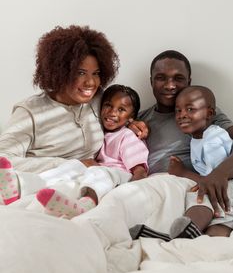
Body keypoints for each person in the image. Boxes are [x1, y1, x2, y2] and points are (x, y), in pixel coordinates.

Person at [0, 25, 120, 200]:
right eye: (80, 73)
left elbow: (119, 113)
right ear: (61, 72)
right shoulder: (30, 111)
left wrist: (133, 124)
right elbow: (4, 159)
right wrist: (70, 165)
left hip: (87, 183)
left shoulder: (98, 101)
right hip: (47, 183)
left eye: (96, 73)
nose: (90, 82)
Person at [129, 50, 233, 240]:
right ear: (151, 81)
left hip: (194, 184)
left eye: (178, 78)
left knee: (205, 201)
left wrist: (220, 173)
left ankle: (186, 237)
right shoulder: (141, 120)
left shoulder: (205, 113)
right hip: (157, 186)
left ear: (189, 81)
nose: (170, 85)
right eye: (161, 78)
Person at [0, 85, 149, 217]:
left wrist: (127, 193)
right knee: (72, 167)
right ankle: (21, 187)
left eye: (121, 110)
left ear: (131, 117)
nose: (112, 112)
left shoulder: (128, 136)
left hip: (117, 177)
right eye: (108, 106)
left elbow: (140, 170)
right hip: (94, 173)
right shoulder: (103, 130)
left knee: (100, 172)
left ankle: (86, 205)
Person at [168, 85, 233, 238]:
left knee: (199, 197)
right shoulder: (197, 137)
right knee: (217, 226)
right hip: (224, 188)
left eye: (190, 109)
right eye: (178, 110)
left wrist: (183, 172)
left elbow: (212, 181)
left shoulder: (212, 139)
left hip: (227, 186)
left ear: (209, 113)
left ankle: (183, 234)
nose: (182, 115)